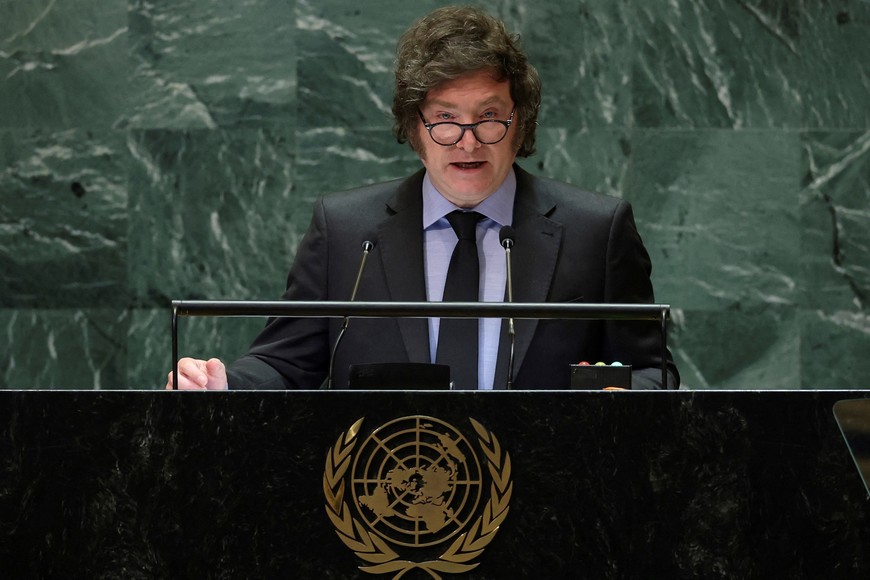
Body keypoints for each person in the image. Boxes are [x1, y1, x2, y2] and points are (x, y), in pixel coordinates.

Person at [166, 6, 679, 391]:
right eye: (446, 120)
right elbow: (284, 362)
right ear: (415, 128)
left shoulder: (596, 229)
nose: (469, 140)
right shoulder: (345, 230)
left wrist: (624, 395)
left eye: (489, 116)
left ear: (519, 122)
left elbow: (653, 371)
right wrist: (219, 384)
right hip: (382, 503)